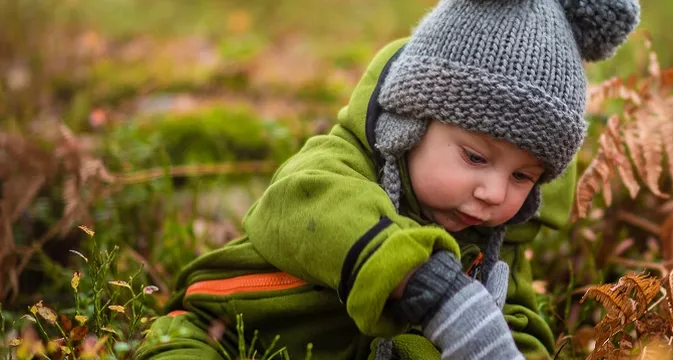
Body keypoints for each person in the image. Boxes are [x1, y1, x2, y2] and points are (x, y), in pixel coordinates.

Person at [135, 0, 639, 359]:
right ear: (410, 123)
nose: (493, 192)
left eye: (523, 176)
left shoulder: (492, 242)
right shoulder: (339, 165)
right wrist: (419, 278)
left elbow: (515, 323)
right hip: (224, 327)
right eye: (474, 157)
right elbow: (298, 205)